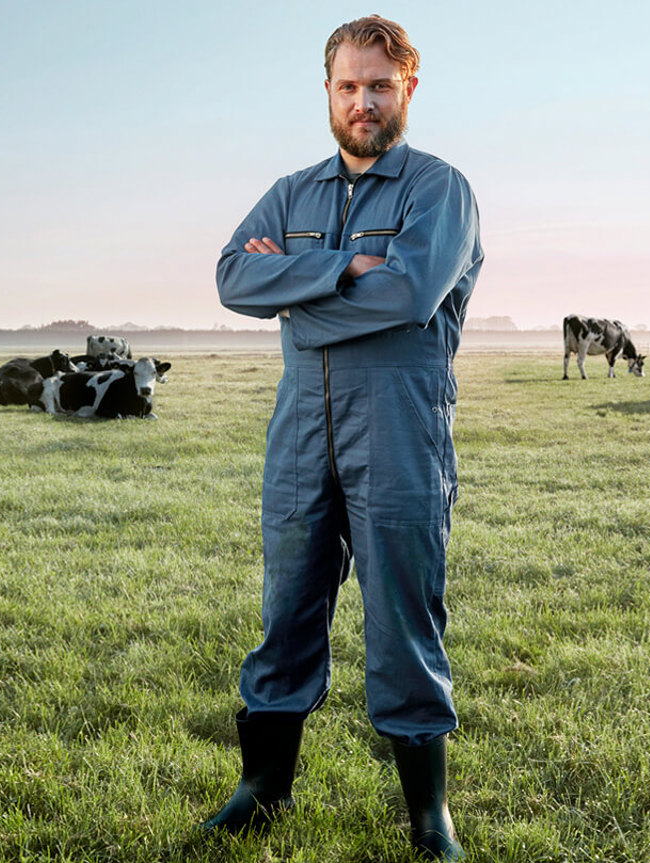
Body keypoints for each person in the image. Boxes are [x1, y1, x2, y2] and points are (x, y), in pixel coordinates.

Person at [203, 14, 482, 861]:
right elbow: (229, 276)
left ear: (409, 90)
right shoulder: (292, 193)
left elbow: (407, 297)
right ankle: (263, 788)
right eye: (349, 87)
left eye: (380, 87)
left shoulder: (439, 190)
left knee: (402, 616)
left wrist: (294, 295)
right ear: (328, 91)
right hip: (300, 433)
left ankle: (428, 815)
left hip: (398, 429)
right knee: (286, 607)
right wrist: (341, 267)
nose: (363, 102)